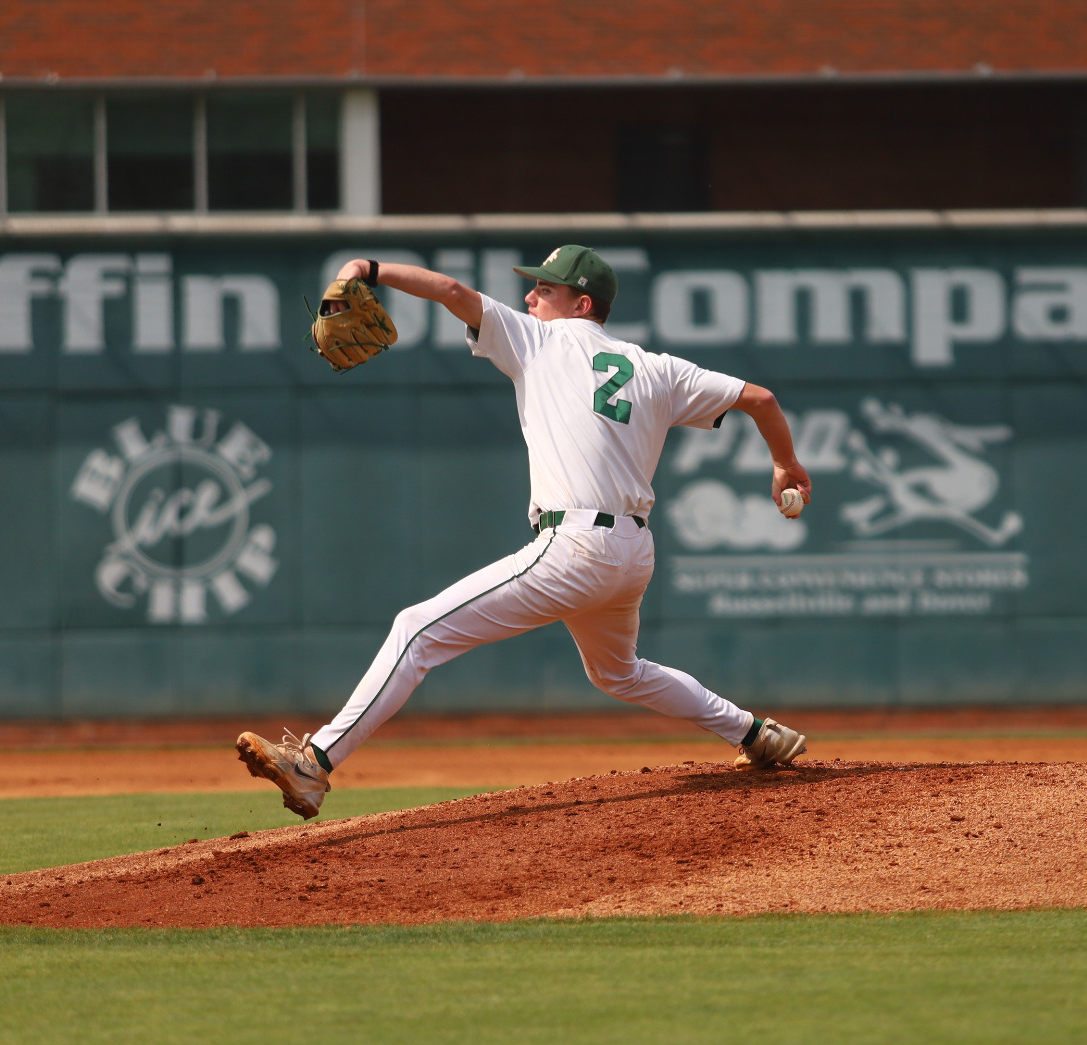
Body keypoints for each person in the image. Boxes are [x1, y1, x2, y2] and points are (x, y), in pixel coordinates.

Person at [238, 245, 814, 818]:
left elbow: (453, 292)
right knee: (619, 673)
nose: (530, 296)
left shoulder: (541, 339)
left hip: (575, 547)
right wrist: (785, 463)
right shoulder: (657, 367)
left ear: (581, 303)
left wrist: (366, 269)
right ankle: (756, 733)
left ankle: (313, 765)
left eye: (545, 289)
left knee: (415, 630)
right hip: (634, 552)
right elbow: (760, 398)